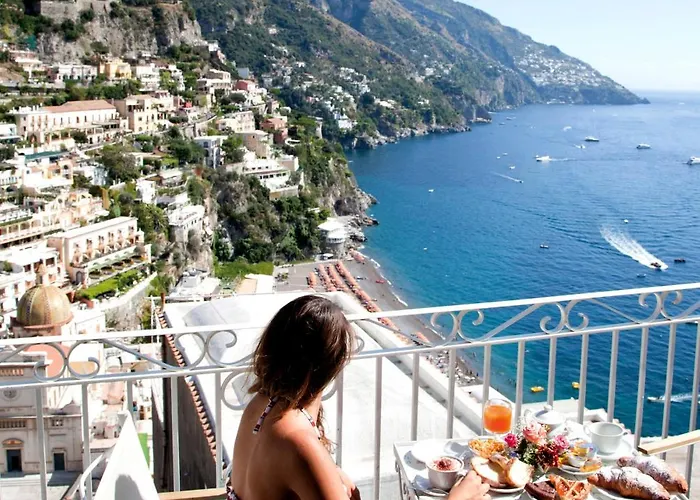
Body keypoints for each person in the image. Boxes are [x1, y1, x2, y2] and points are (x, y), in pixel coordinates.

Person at [228, 295, 490, 500]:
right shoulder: (297, 441)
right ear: (332, 366)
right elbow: (293, 455)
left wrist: (328, 474)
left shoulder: (262, 405)